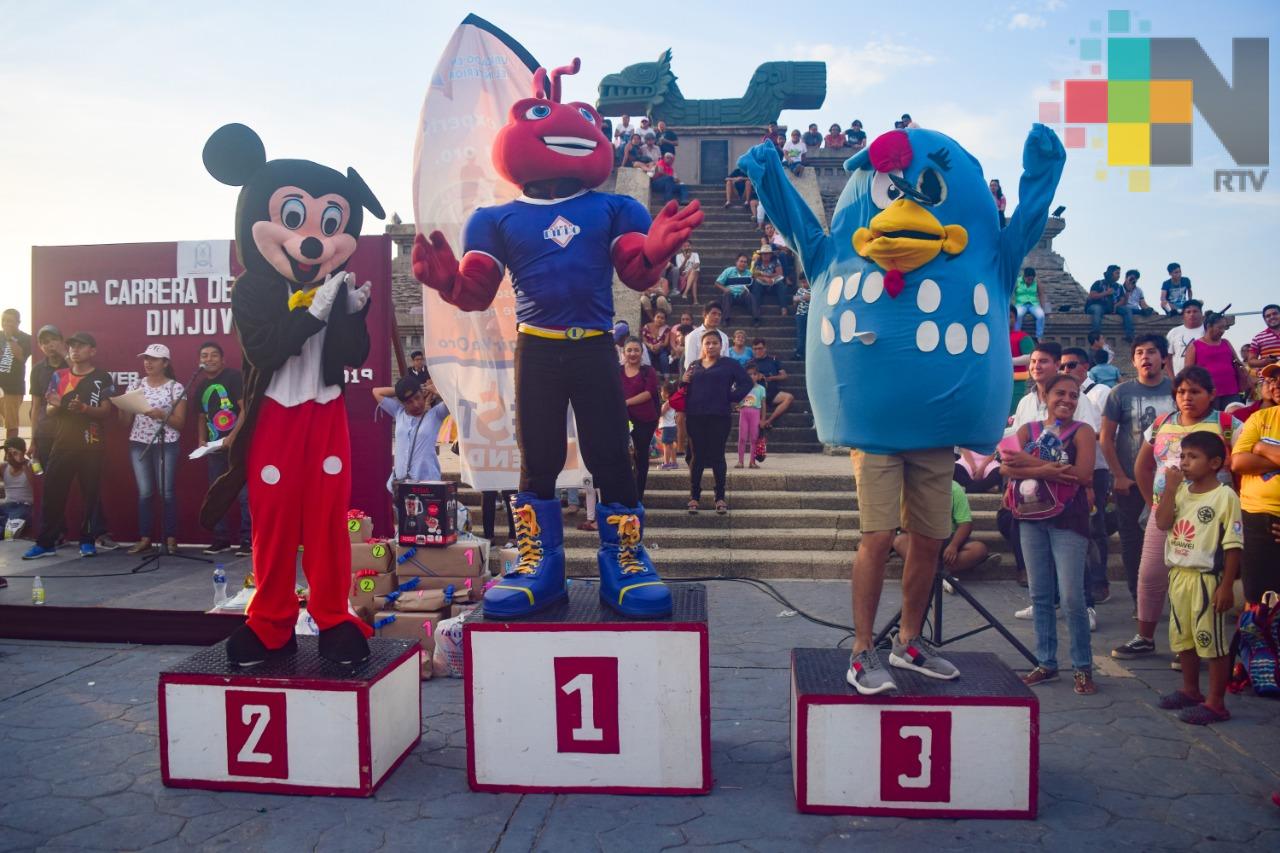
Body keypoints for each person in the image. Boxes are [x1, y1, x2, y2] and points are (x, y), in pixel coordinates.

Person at [1113, 365, 1225, 660]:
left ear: (1211, 395)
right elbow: (1143, 466)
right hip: (1165, 511)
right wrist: (1153, 502)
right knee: (1150, 574)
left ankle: (1197, 644)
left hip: (1208, 518)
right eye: (1181, 392)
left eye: (1195, 392)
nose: (1187, 397)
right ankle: (1145, 637)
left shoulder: (1226, 424)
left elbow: (1235, 470)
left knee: (1201, 578)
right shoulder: (1162, 423)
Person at [1002, 373, 1098, 695]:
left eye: (1074, 395)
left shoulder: (1083, 432)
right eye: (1061, 393)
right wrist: (1043, 469)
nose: (1067, 400)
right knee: (1040, 594)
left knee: (1072, 597)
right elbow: (1005, 467)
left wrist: (1027, 462)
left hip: (1069, 520)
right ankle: (1046, 662)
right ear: (1046, 395)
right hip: (1030, 517)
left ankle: (1083, 667)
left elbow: (1084, 475)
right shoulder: (1027, 430)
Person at [1155, 431, 1241, 725]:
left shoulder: (1225, 497)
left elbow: (1232, 545)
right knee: (1184, 638)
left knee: (1212, 642)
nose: (1185, 463)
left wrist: (1226, 585)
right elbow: (1162, 522)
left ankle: (1216, 703)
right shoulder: (1179, 491)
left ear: (1215, 462)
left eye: (1193, 457)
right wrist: (1169, 489)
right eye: (1183, 456)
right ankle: (1190, 690)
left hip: (1207, 580)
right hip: (1179, 575)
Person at [23, 332, 115, 560]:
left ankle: (87, 540)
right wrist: (66, 405)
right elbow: (50, 408)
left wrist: (83, 409)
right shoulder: (59, 375)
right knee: (52, 494)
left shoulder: (102, 377)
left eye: (81, 346)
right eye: (72, 346)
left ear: (92, 351)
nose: (75, 350)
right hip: (62, 443)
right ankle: (46, 542)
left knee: (90, 495)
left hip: (91, 446)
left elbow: (106, 410)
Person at [1100, 335, 1175, 611]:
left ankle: (1177, 600)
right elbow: (1106, 438)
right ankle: (1139, 600)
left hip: (1172, 483)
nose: (1146, 357)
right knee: (1133, 544)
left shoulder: (1178, 389)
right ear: (1133, 360)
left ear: (1164, 358)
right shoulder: (1120, 393)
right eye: (1140, 352)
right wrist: (1118, 475)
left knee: (1177, 541)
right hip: (1131, 483)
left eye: (1152, 352)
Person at [124, 344, 188, 556]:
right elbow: (124, 420)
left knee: (166, 492)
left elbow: (180, 423)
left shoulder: (175, 388)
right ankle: (145, 538)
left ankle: (170, 539)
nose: (148, 362)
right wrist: (123, 404)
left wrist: (162, 415)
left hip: (166, 443)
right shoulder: (135, 384)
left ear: (165, 363)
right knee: (144, 492)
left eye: (154, 359)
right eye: (146, 358)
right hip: (139, 441)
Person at [682, 332, 751, 514]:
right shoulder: (694, 366)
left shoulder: (729, 364)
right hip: (695, 416)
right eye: (707, 343)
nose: (711, 346)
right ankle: (694, 496)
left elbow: (746, 383)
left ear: (721, 346)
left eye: (714, 343)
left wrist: (730, 397)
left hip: (719, 416)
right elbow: (684, 389)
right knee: (696, 457)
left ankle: (720, 497)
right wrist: (683, 382)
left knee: (717, 456)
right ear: (702, 346)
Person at [193, 341, 251, 556]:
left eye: (213, 355)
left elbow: (245, 408)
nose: (209, 359)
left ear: (223, 359)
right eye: (204, 356)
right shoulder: (199, 387)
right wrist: (201, 441)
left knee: (245, 495)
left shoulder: (233, 377)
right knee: (217, 493)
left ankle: (247, 539)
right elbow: (201, 417)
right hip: (214, 449)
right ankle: (221, 539)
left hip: (238, 447)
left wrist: (233, 437)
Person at [1231, 362, 1280, 611]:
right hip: (1256, 517)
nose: (1276, 384)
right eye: (1272, 380)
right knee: (1257, 597)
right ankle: (1260, 649)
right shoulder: (1260, 418)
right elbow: (1239, 461)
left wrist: (1261, 447)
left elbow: (1250, 457)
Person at [892, 479, 992, 583]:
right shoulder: (909, 488)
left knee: (979, 549)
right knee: (899, 541)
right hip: (919, 538)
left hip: (948, 538)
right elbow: (902, 524)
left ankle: (930, 572)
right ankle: (941, 574)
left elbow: (965, 524)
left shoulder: (954, 488)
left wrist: (953, 546)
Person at [373, 375, 449, 494]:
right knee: (401, 513)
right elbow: (376, 392)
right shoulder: (398, 412)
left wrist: (433, 390)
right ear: (402, 403)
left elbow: (455, 400)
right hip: (401, 484)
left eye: (418, 397)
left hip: (428, 482)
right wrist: (401, 390)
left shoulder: (435, 414)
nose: (416, 404)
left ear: (422, 393)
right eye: (409, 402)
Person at [620, 338, 661, 501]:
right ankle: (622, 493)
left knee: (640, 457)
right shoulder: (617, 371)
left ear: (642, 353)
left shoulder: (648, 371)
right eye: (629, 350)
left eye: (636, 350)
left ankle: (637, 497)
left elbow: (648, 393)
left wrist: (626, 403)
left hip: (644, 420)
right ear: (623, 352)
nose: (633, 353)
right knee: (621, 456)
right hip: (621, 419)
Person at [1185, 310, 1248, 408]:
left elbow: (1238, 362)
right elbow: (1188, 372)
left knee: (1233, 420)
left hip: (1231, 391)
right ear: (1209, 326)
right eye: (1220, 327)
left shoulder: (1226, 343)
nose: (1222, 331)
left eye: (1224, 328)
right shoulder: (1195, 346)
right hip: (1207, 393)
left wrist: (1248, 375)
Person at [27, 324, 67, 468]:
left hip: (70, 431)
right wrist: (33, 439)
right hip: (46, 432)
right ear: (40, 346)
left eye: (53, 340)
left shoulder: (72, 364)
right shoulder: (38, 369)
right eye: (44, 342)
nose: (49, 345)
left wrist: (64, 354)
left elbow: (81, 375)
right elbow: (36, 406)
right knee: (48, 477)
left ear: (62, 341)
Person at [0, 309, 32, 440]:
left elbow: (20, 356)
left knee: (11, 424)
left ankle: (11, 456)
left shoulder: (26, 339)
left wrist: (9, 338)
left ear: (18, 322)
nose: (6, 323)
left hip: (12, 388)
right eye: (3, 320)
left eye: (10, 321)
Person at [750, 339, 794, 429]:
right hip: (758, 394)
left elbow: (784, 376)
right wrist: (755, 377)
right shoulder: (751, 363)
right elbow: (744, 380)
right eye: (755, 349)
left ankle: (769, 421)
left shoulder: (773, 360)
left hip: (773, 392)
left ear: (765, 348)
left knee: (789, 397)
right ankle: (760, 423)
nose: (757, 351)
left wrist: (771, 378)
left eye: (760, 348)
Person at [1086, 265, 1132, 339]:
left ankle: (1129, 335)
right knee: (1097, 309)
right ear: (1111, 273)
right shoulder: (1098, 283)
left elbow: (1123, 301)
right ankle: (1096, 336)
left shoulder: (1119, 286)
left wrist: (1116, 305)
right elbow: (1092, 296)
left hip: (1112, 307)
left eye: (1119, 273)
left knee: (1127, 309)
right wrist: (1106, 293)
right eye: (1117, 273)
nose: (1118, 276)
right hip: (1097, 306)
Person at [1, 437, 35, 537]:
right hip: (6, 506)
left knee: (9, 534)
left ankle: (6, 526)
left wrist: (23, 464)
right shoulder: (4, 467)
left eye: (14, 453)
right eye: (7, 452)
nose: (9, 456)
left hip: (24, 506)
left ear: (22, 452)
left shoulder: (32, 465)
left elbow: (38, 485)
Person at [713, 255, 759, 326]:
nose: (743, 264)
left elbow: (751, 285)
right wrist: (725, 289)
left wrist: (747, 289)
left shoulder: (749, 273)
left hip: (743, 295)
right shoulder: (728, 271)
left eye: (745, 262)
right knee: (726, 295)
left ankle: (756, 319)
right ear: (736, 262)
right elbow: (717, 283)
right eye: (741, 261)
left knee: (751, 296)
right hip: (731, 294)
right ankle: (726, 319)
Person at [736, 362, 766, 469]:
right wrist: (738, 406)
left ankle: (752, 462)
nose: (752, 376)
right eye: (749, 374)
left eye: (754, 374)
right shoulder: (742, 388)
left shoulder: (761, 389)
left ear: (758, 376)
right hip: (744, 414)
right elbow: (738, 399)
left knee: (754, 438)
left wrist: (763, 419)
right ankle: (740, 461)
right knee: (742, 438)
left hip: (755, 414)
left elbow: (763, 404)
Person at [1166, 299, 1205, 377]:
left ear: (1201, 314)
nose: (1192, 314)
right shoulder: (1174, 332)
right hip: (1181, 381)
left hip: (1204, 380)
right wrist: (1172, 379)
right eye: (1188, 312)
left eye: (1195, 311)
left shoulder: (1207, 331)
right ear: (1183, 315)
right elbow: (1167, 358)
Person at [1009, 306, 1035, 415]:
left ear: (1015, 319)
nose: (1006, 319)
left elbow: (1030, 357)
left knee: (1013, 412)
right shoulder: (992, 336)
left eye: (1010, 316)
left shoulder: (1022, 337)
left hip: (1016, 381)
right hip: (994, 381)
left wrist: (1007, 362)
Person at [750, 245, 788, 316]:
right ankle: (756, 309)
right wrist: (765, 278)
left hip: (773, 284)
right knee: (756, 284)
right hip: (761, 285)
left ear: (771, 254)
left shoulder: (775, 261)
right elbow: (755, 275)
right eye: (763, 254)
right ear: (761, 255)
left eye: (767, 254)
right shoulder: (758, 262)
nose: (765, 255)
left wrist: (767, 275)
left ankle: (784, 307)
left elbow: (780, 273)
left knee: (781, 284)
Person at [1245, 303, 1280, 372]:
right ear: (1264, 319)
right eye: (1268, 316)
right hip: (1270, 379)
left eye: (1275, 314)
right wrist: (1265, 362)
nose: (1272, 317)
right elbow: (1251, 362)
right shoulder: (1258, 338)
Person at [1012, 267, 1046, 338]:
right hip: (1020, 304)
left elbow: (1041, 295)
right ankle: (1016, 335)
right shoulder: (1017, 282)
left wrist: (1043, 308)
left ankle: (1039, 336)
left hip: (1033, 304)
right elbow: (1011, 294)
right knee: (1018, 315)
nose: (1030, 281)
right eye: (1028, 279)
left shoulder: (1036, 282)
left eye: (1032, 279)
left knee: (1041, 315)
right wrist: (1011, 307)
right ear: (1024, 277)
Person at [642, 309, 671, 375]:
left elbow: (666, 343)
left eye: (662, 318)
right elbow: (644, 340)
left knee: (664, 357)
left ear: (665, 320)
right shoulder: (647, 326)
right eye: (658, 317)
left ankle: (666, 377)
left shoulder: (667, 329)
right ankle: (647, 375)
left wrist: (659, 345)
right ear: (654, 317)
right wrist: (650, 346)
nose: (659, 319)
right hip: (649, 348)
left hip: (661, 348)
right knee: (647, 356)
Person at [658, 381, 679, 470]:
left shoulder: (667, 403)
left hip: (667, 427)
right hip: (672, 426)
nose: (660, 393)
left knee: (666, 445)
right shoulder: (672, 402)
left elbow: (661, 414)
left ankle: (666, 463)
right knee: (672, 445)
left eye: (662, 391)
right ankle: (674, 462)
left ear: (667, 394)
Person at [793, 275, 811, 360]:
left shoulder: (813, 289)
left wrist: (800, 298)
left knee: (808, 334)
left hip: (809, 315)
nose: (803, 284)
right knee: (801, 334)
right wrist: (800, 298)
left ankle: (806, 352)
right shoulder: (800, 290)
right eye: (802, 282)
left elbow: (809, 297)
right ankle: (799, 353)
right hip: (800, 314)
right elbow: (795, 300)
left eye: (805, 282)